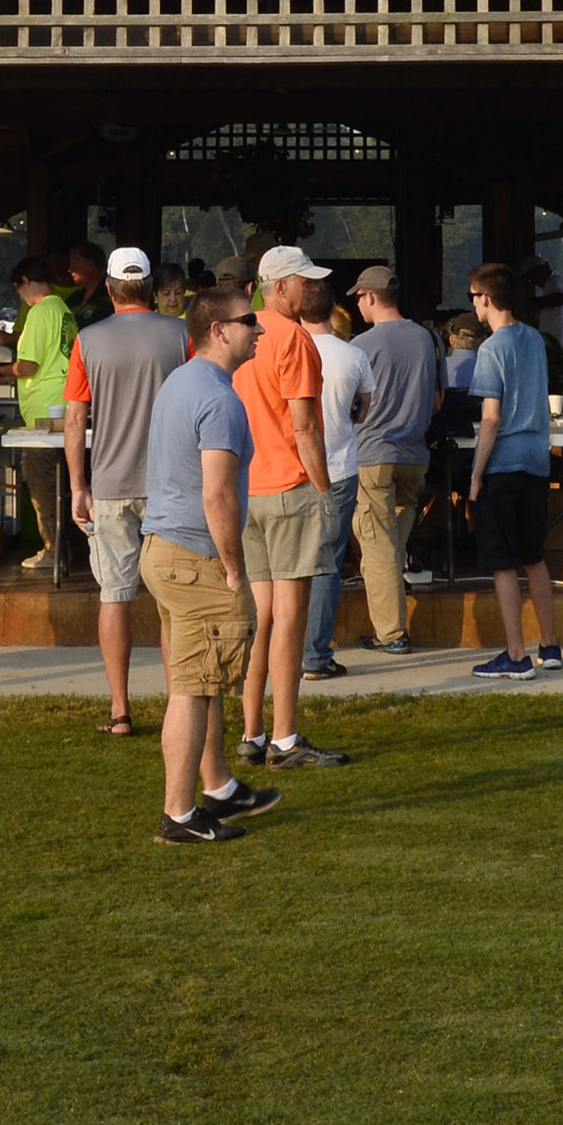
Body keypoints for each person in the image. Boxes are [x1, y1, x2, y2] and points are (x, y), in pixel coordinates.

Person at [138, 287, 283, 843]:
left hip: (165, 550)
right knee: (194, 688)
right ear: (219, 330)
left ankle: (219, 788)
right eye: (250, 322)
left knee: (203, 678)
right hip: (195, 558)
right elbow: (219, 495)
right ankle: (178, 816)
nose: (259, 330)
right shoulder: (220, 401)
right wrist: (233, 569)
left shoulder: (183, 380)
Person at [65, 246, 191, 736]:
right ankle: (179, 701)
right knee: (171, 601)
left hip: (112, 484)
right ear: (148, 287)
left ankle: (120, 709)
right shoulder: (181, 334)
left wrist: (79, 484)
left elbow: (76, 418)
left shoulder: (88, 340)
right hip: (171, 483)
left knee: (115, 597)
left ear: (112, 288)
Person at [232, 246, 346, 768]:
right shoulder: (293, 337)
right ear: (279, 287)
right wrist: (324, 490)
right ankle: (284, 738)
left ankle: (252, 732)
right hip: (289, 489)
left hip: (246, 489)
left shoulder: (234, 331)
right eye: (304, 282)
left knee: (261, 618)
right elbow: (304, 427)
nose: (312, 289)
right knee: (291, 621)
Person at [464, 262, 563, 679]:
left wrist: (474, 474)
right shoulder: (536, 340)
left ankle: (516, 653)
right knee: (533, 557)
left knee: (503, 562)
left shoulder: (491, 348)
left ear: (485, 298)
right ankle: (550, 643)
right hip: (536, 458)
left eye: (473, 297)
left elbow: (491, 417)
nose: (473, 305)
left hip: (503, 460)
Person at [344, 266, 441, 653]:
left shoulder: (362, 346)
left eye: (359, 298)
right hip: (415, 454)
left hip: (373, 454)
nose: (357, 304)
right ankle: (388, 619)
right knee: (388, 547)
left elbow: (348, 404)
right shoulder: (428, 338)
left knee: (377, 547)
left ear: (370, 297)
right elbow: (437, 402)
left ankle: (392, 633)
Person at [0, 256, 81, 564]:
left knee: (42, 480)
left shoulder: (40, 313)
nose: (21, 297)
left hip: (45, 410)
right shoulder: (63, 311)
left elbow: (27, 366)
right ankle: (63, 549)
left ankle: (54, 552)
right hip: (65, 405)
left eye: (18, 290)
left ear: (25, 282)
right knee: (60, 482)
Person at [301, 281, 371, 680]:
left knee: (285, 563)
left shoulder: (285, 350)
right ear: (334, 312)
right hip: (339, 466)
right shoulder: (354, 355)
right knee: (327, 563)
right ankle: (315, 655)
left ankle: (283, 647)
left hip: (292, 468)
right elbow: (362, 410)